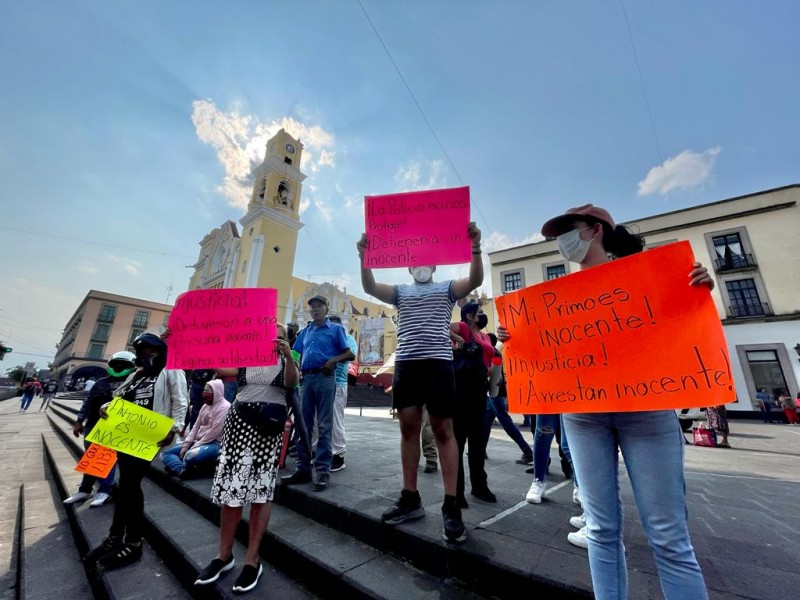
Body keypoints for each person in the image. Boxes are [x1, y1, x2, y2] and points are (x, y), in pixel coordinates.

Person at [499, 204, 711, 599]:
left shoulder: (648, 276)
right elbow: (548, 355)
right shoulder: (556, 301)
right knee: (599, 530)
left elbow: (678, 324)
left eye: (569, 230)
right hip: (582, 416)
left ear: (594, 231)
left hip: (646, 411)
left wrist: (696, 288)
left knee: (667, 536)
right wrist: (516, 340)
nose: (561, 242)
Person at [356, 221, 483, 543]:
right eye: (415, 261)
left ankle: (451, 506)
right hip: (408, 366)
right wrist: (363, 257)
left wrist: (475, 248)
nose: (421, 265)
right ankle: (410, 497)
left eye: (427, 261)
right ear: (409, 265)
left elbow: (475, 279)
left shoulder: (447, 288)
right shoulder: (401, 292)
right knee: (409, 428)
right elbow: (371, 289)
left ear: (435, 265)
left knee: (443, 429)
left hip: (439, 365)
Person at [195, 325, 299, 594]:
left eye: (278, 334)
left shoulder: (289, 358)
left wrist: (288, 356)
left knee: (260, 492)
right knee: (232, 490)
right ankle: (223, 555)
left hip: (268, 427)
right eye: (268, 332)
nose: (273, 337)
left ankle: (252, 559)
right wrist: (185, 342)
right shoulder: (245, 357)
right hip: (239, 424)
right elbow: (217, 366)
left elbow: (291, 383)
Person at [82, 333, 187, 571]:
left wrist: (175, 427)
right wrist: (106, 407)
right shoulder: (136, 375)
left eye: (152, 350)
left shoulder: (171, 371)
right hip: (125, 435)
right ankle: (115, 537)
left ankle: (133, 541)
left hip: (150, 435)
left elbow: (180, 401)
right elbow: (118, 397)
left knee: (130, 485)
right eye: (143, 351)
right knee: (124, 485)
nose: (146, 355)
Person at [282, 296, 355, 492]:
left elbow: (350, 354)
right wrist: (290, 360)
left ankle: (322, 470)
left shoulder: (336, 329)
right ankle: (303, 468)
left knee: (324, 425)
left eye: (319, 306)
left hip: (325, 378)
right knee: (303, 425)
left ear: (326, 308)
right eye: (312, 307)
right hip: (306, 379)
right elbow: (296, 354)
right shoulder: (306, 331)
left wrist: (332, 361)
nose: (315, 310)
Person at [65, 351, 137, 507]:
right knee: (91, 457)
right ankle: (85, 489)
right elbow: (88, 402)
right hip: (92, 424)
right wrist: (79, 421)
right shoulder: (100, 382)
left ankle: (105, 490)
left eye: (124, 364)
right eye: (116, 363)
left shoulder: (133, 384)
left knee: (106, 458)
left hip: (114, 427)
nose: (119, 367)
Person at [450, 302, 496, 505]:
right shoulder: (462, 327)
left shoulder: (486, 336)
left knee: (478, 441)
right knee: (458, 441)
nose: (483, 315)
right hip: (462, 388)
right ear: (469, 315)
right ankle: (456, 492)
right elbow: (440, 326)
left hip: (480, 388)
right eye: (480, 313)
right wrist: (458, 339)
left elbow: (493, 358)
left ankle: (479, 486)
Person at [162, 379, 230, 478]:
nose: (204, 393)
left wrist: (193, 447)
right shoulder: (205, 406)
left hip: (216, 443)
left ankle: (181, 467)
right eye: (204, 391)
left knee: (189, 456)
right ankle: (181, 470)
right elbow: (195, 427)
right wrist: (186, 445)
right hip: (200, 442)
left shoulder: (224, 407)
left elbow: (213, 433)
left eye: (207, 391)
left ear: (217, 392)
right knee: (165, 454)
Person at [483, 333, 533, 465]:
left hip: (495, 394)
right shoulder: (493, 353)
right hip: (493, 395)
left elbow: (495, 379)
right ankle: (481, 450)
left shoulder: (494, 355)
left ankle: (527, 452)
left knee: (507, 424)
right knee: (486, 422)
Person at [327, 315, 359, 472]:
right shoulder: (323, 336)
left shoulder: (348, 338)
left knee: (335, 419)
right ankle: (316, 451)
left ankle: (338, 455)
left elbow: (350, 354)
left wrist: (330, 359)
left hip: (338, 383)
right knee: (315, 419)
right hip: (320, 382)